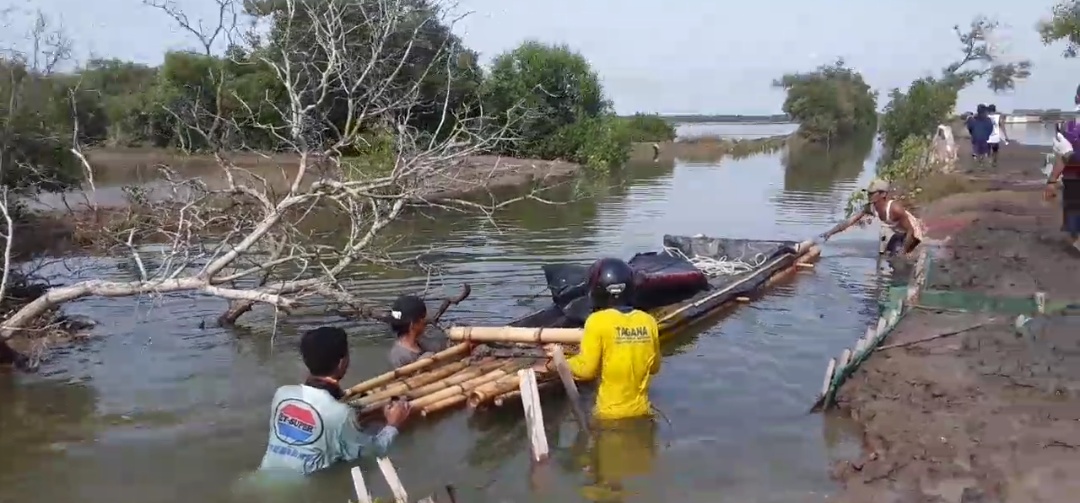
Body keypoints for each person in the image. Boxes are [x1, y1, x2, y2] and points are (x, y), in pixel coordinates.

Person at [259, 326, 411, 475]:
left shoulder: (282, 395)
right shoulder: (342, 414)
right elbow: (372, 452)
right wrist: (393, 425)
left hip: (263, 475)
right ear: (341, 363)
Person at [534, 258, 661, 420]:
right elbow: (655, 366)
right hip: (643, 412)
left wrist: (558, 361)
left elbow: (586, 370)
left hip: (609, 415)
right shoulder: (648, 321)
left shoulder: (597, 321)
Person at [820, 179, 926, 257]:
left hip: (912, 234)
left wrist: (903, 251)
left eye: (872, 193)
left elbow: (910, 231)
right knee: (885, 256)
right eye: (868, 193)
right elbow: (850, 221)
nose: (868, 195)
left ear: (883, 194)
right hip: (898, 232)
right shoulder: (870, 207)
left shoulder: (895, 209)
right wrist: (830, 232)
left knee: (898, 260)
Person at [1046, 120, 1080, 253]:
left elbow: (1064, 156)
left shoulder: (1070, 125)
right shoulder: (1070, 125)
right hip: (1072, 177)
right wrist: (1052, 180)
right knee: (1073, 215)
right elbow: (1062, 157)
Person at [387, 295, 446, 368]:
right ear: (413, 324)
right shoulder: (400, 357)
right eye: (423, 318)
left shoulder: (421, 342)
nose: (425, 322)